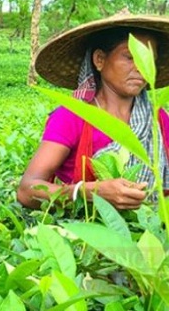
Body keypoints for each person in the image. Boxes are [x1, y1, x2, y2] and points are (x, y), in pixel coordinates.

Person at [18, 12, 169, 210]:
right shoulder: (72, 117)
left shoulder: (158, 118)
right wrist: (90, 192)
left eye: (148, 59)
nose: (141, 67)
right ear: (99, 60)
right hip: (85, 234)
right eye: (129, 57)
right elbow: (27, 190)